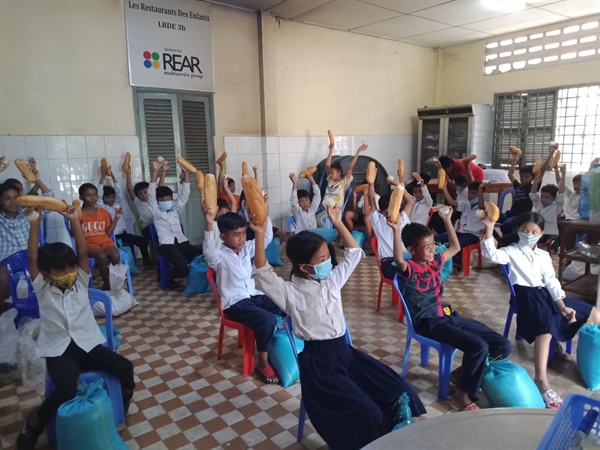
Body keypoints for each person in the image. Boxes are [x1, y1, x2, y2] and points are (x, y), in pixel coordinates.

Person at [251, 205, 426, 450]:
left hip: (346, 354)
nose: (328, 263)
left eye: (328, 257)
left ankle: (395, 440)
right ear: (304, 267)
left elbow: (354, 252)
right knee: (366, 412)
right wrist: (260, 233)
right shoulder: (290, 293)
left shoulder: (331, 280)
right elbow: (262, 273)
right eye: (322, 260)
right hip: (319, 364)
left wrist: (336, 220)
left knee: (400, 391)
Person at [16, 205, 135, 450]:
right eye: (60, 271)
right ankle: (34, 423)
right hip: (60, 351)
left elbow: (82, 250)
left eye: (70, 268)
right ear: (47, 274)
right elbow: (32, 258)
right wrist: (34, 223)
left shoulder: (80, 281)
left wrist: (74, 221)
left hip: (88, 345)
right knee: (67, 388)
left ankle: (122, 398)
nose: (68, 273)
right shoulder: (42, 288)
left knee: (125, 367)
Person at [392, 209, 511, 411]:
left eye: (433, 246)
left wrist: (447, 220)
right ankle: (462, 395)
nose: (432, 251)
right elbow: (399, 259)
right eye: (426, 248)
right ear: (412, 250)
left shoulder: (435, 261)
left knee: (501, 345)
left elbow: (455, 246)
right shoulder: (410, 269)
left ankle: (460, 376)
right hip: (428, 322)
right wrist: (396, 230)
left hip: (446, 316)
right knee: (478, 346)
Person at [481, 212, 600, 409]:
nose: (528, 234)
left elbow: (552, 282)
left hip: (546, 294)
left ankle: (587, 362)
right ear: (518, 231)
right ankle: (541, 379)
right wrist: (489, 226)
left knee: (594, 313)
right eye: (524, 230)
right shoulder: (511, 251)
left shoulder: (544, 255)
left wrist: (563, 306)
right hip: (526, 296)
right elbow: (491, 254)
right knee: (545, 327)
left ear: (541, 233)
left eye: (534, 231)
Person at [202, 201, 282, 384]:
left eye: (244, 233)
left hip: (254, 296)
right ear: (222, 237)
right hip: (235, 303)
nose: (241, 239)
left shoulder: (247, 249)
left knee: (284, 303)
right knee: (267, 319)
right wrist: (208, 224)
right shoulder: (219, 257)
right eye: (236, 235)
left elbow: (267, 238)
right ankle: (262, 362)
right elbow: (208, 254)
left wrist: (264, 212)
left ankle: (279, 346)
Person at [152, 166, 201, 287]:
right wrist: (156, 171)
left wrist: (186, 174)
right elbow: (150, 193)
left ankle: (197, 276)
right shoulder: (156, 212)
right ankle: (169, 276)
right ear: (157, 201)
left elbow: (185, 195)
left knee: (203, 254)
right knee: (182, 270)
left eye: (168, 198)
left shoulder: (175, 209)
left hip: (181, 241)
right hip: (167, 245)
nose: (166, 201)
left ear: (171, 199)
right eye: (162, 199)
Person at [0, 183, 51, 299]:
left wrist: (38, 181)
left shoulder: (27, 213)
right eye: (7, 199)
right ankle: (4, 309)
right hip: (7, 261)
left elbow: (50, 201)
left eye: (16, 198)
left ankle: (48, 303)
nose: (13, 202)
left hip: (32, 256)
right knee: (2, 279)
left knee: (54, 268)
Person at [98, 166, 151, 267]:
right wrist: (103, 177)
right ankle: (116, 266)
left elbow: (118, 192)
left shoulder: (116, 205)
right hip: (111, 237)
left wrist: (112, 176)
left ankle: (146, 260)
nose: (111, 199)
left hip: (122, 234)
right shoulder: (102, 208)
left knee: (142, 241)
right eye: (107, 197)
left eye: (112, 197)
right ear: (103, 198)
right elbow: (99, 195)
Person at [364, 180, 413, 279]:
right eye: (386, 212)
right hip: (388, 262)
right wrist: (371, 182)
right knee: (409, 275)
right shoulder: (379, 221)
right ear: (381, 212)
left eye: (393, 210)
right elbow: (372, 200)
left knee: (421, 271)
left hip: (406, 258)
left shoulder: (402, 217)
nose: (390, 214)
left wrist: (398, 185)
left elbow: (410, 201)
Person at [78, 183, 122, 290]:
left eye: (95, 195)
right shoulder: (78, 213)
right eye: (88, 195)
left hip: (104, 240)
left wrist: (116, 218)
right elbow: (75, 233)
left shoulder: (103, 212)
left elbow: (108, 233)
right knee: (101, 256)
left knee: (115, 255)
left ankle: (115, 283)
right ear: (81, 197)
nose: (92, 198)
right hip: (88, 243)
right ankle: (107, 285)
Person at [315, 142, 368, 228]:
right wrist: (330, 151)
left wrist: (358, 151)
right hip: (323, 206)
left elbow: (350, 167)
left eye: (332, 173)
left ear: (339, 173)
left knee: (319, 219)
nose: (330, 175)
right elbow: (327, 165)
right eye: (330, 173)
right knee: (311, 217)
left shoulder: (344, 183)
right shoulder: (330, 180)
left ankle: (330, 235)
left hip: (334, 209)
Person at [437, 181, 484, 265]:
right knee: (437, 239)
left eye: (474, 193)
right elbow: (451, 202)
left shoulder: (484, 207)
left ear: (480, 194)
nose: (470, 195)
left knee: (456, 244)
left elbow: (481, 206)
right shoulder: (466, 205)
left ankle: (451, 263)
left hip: (473, 235)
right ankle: (439, 260)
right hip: (460, 232)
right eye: (469, 193)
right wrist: (444, 189)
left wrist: (481, 190)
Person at [125, 157, 165, 241]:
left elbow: (160, 186)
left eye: (145, 192)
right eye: (140, 193)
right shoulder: (138, 202)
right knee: (157, 235)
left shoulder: (154, 199)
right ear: (137, 195)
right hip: (147, 228)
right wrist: (128, 173)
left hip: (158, 225)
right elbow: (129, 189)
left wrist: (164, 171)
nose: (143, 195)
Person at [499, 150, 536, 236]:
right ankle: (501, 240)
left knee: (506, 225)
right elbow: (510, 174)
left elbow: (539, 175)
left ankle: (507, 242)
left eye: (527, 177)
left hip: (523, 216)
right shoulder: (518, 186)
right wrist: (514, 159)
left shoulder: (533, 188)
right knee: (489, 218)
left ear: (533, 178)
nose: (523, 179)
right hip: (511, 213)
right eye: (522, 176)